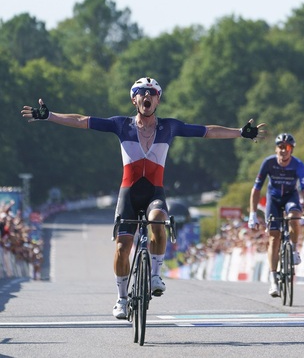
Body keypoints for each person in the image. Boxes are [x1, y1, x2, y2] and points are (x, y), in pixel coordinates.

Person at [21, 76, 265, 319]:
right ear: (133, 99)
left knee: (159, 219)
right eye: (141, 92)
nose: (147, 96)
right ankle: (122, 299)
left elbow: (207, 131)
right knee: (122, 247)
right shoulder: (121, 125)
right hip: (128, 194)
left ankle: (156, 275)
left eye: (152, 93)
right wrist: (50, 115)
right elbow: (83, 120)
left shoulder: (169, 127)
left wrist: (240, 133)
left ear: (158, 100)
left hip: (154, 193)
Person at [247, 133, 304, 297]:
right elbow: (256, 189)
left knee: (294, 216)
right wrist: (252, 213)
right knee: (273, 237)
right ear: (276, 148)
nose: (284, 150)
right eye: (281, 147)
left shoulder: (298, 165)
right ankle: (273, 279)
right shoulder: (268, 163)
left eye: (288, 147)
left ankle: (292, 249)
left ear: (292, 150)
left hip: (291, 197)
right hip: (273, 198)